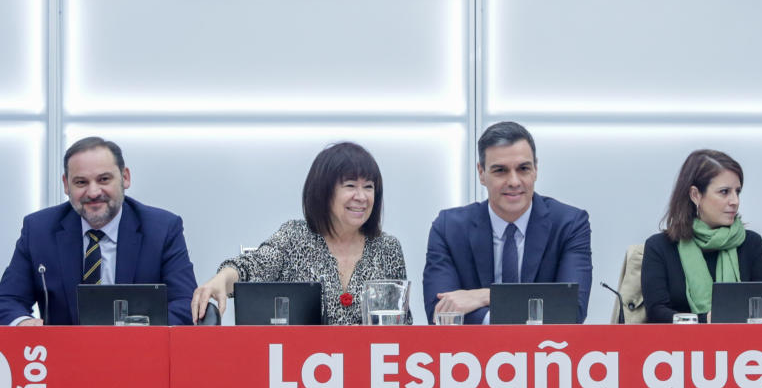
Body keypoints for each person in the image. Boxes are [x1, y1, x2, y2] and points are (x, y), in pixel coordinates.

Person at [192, 142, 410, 325]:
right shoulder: (294, 237)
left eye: (369, 187)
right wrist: (220, 280)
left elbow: (403, 325)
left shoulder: (387, 247)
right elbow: (251, 268)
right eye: (351, 185)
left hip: (371, 367)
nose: (361, 197)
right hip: (304, 369)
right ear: (324, 192)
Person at [0, 137, 198, 326]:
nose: (93, 192)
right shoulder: (39, 230)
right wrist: (23, 322)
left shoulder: (162, 229)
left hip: (140, 354)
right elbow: (7, 300)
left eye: (103, 179)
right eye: (81, 182)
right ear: (66, 185)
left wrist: (140, 333)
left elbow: (184, 303)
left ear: (125, 177)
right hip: (63, 356)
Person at [423, 121, 592, 324]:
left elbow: (572, 309)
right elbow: (440, 312)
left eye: (523, 168)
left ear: (536, 169)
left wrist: (485, 296)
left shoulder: (569, 224)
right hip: (468, 354)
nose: (513, 181)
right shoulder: (448, 228)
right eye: (500, 170)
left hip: (547, 352)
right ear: (481, 173)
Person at [641, 149, 762, 323]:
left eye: (737, 192)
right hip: (678, 348)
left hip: (746, 347)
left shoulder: (751, 243)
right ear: (695, 195)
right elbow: (656, 313)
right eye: (724, 192)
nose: (735, 201)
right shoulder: (660, 247)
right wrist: (704, 320)